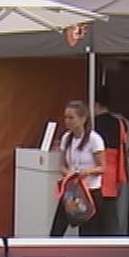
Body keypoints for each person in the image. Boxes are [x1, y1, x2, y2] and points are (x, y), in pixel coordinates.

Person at [48, 100, 108, 237]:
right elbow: (62, 165)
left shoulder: (94, 139)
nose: (67, 121)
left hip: (90, 191)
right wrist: (69, 174)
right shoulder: (66, 138)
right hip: (72, 190)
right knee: (57, 228)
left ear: (82, 119)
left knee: (88, 233)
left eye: (71, 118)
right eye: (65, 118)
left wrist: (88, 171)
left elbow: (103, 167)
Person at [92, 85, 129, 235]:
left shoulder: (93, 124)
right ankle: (120, 240)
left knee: (104, 212)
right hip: (122, 168)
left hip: (104, 171)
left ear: (95, 104)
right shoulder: (120, 120)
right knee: (120, 212)